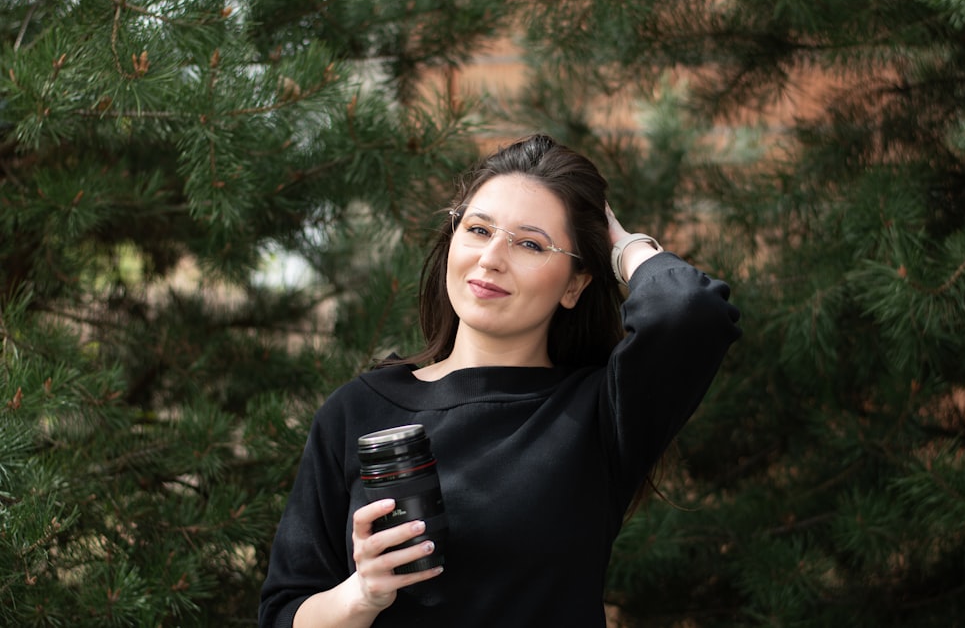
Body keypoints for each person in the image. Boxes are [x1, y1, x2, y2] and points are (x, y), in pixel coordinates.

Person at [258, 134, 742, 628]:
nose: (491, 257)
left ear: (575, 284)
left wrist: (622, 244)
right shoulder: (356, 410)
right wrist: (361, 595)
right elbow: (283, 614)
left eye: (530, 243)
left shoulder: (599, 411)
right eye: (478, 229)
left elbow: (691, 312)